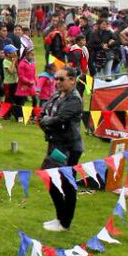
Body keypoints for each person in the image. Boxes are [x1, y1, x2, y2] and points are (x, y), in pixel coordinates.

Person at [37, 67, 85, 232]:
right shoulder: (56, 95)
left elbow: (59, 120)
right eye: (56, 79)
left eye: (61, 79)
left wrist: (46, 120)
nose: (57, 82)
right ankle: (60, 218)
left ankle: (65, 222)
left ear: (72, 80)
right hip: (55, 144)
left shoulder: (75, 99)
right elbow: (42, 114)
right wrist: (45, 120)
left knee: (66, 183)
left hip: (68, 148)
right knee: (51, 179)